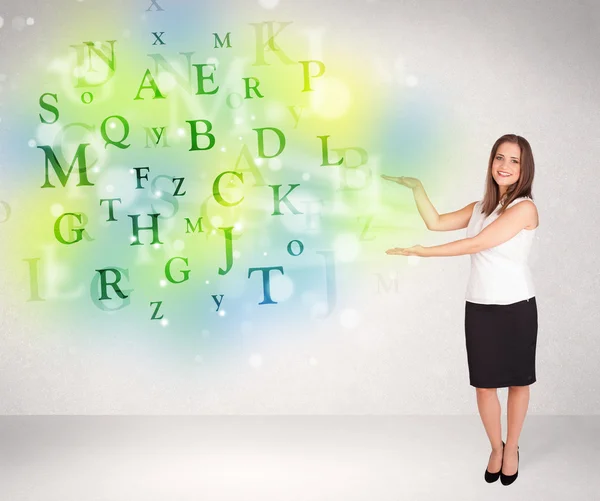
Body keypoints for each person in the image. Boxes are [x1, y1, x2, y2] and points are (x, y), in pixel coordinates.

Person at [381, 134, 539, 486]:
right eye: (500, 157)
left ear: (525, 168)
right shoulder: (480, 207)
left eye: (514, 160)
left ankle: (511, 447)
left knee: (517, 381)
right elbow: (434, 222)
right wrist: (417, 187)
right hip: (480, 306)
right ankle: (494, 448)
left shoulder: (525, 208)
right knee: (484, 386)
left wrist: (424, 253)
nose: (505, 166)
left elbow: (477, 243)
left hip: (516, 307)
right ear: (491, 162)